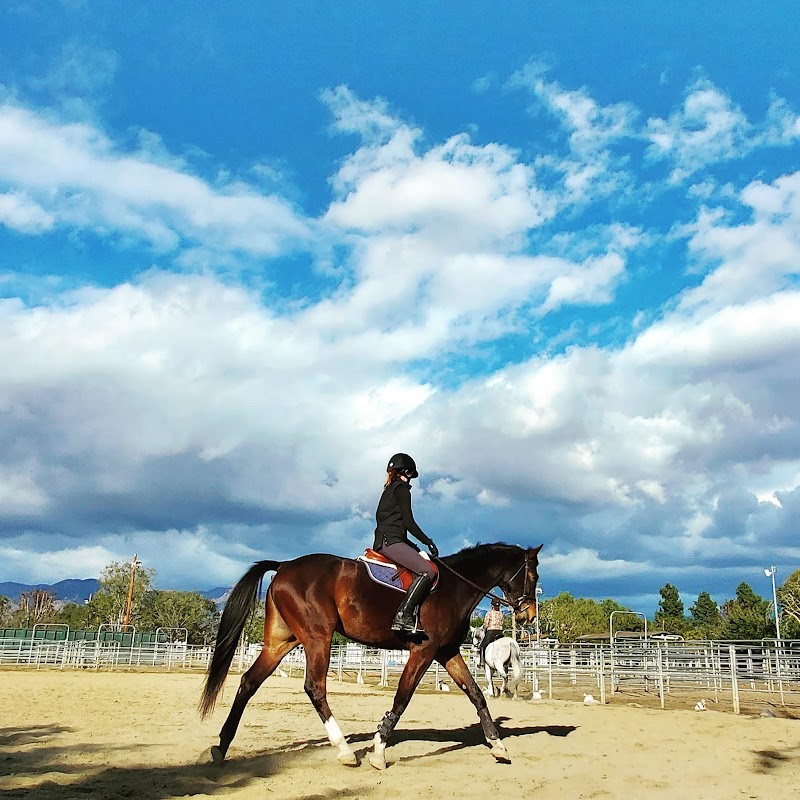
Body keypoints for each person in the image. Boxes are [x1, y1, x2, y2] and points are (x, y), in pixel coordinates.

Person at [373, 453, 438, 637]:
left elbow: (394, 524)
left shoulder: (388, 490)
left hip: (387, 540)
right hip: (391, 542)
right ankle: (403, 616)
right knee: (428, 572)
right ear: (407, 472)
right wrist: (428, 542)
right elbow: (408, 522)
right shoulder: (402, 489)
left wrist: (412, 545)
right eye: (410, 474)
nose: (411, 479)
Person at [478, 599, 505, 667]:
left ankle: (482, 661)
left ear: (492, 606)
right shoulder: (501, 613)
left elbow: (486, 624)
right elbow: (502, 623)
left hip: (491, 632)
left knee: (482, 646)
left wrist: (484, 629)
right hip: (500, 632)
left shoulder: (489, 613)